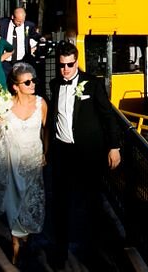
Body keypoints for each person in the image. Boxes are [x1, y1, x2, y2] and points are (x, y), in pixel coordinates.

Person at [45, 40, 122, 269]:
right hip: (62, 152)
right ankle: (60, 253)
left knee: (91, 203)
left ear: (77, 62)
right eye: (61, 65)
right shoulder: (55, 84)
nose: (65, 70)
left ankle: (93, 254)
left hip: (88, 154)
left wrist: (114, 146)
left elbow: (108, 116)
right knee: (60, 204)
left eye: (69, 65)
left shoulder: (93, 84)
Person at [0, 62, 47, 266]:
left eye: (34, 80)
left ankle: (27, 240)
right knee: (14, 203)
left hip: (33, 160)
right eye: (28, 82)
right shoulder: (4, 105)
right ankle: (15, 244)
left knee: (30, 203)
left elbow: (46, 130)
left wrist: (45, 153)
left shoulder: (41, 104)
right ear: (15, 86)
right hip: (12, 162)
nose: (33, 84)